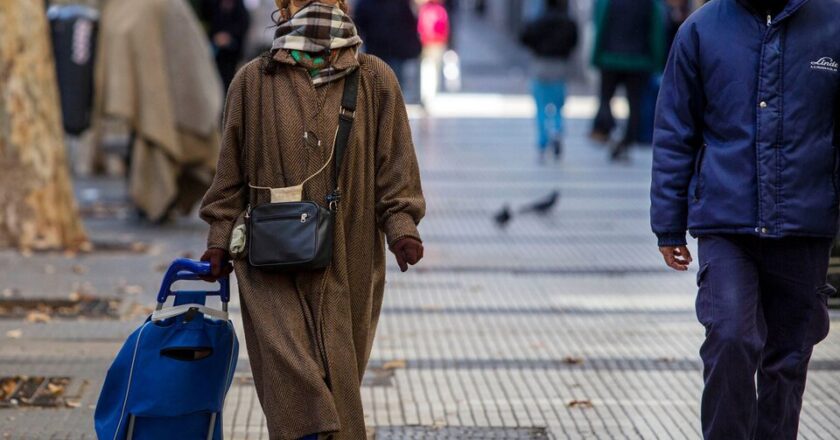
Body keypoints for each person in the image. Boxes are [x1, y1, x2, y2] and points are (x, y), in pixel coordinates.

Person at [199, 1, 426, 439]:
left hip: (349, 257)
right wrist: (218, 239)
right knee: (296, 384)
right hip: (269, 261)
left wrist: (402, 229)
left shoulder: (375, 78)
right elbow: (229, 177)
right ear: (283, 7)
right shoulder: (252, 80)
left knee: (337, 378)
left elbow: (395, 169)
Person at [650, 0, 840, 438]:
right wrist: (668, 222)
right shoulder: (702, 30)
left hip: (804, 222)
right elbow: (675, 130)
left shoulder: (831, 24)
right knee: (730, 338)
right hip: (726, 222)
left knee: (788, 360)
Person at [590, 0, 665, 161]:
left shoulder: (607, 3)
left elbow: (600, 28)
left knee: (605, 99)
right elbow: (656, 32)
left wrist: (596, 57)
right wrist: (657, 62)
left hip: (610, 58)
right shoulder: (650, 4)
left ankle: (609, 129)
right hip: (638, 61)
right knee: (635, 105)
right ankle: (626, 141)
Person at [519, 0, 578, 162]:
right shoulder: (568, 22)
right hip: (560, 66)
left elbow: (524, 37)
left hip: (541, 65)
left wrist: (537, 47)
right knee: (558, 106)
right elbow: (574, 41)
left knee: (540, 107)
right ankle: (557, 129)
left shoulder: (539, 20)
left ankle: (542, 141)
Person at [353, 0, 422, 86]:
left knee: (393, 85)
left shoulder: (399, 3)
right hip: (377, 53)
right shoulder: (366, 3)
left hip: (394, 52)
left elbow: (409, 23)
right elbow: (358, 26)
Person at [206, 0, 251, 93]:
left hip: (233, 54)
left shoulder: (239, 6)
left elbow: (243, 25)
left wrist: (228, 36)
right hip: (216, 52)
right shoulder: (214, 4)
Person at [417, 0, 450, 107]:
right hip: (438, 43)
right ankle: (430, 94)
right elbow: (446, 29)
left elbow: (419, 28)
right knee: (434, 69)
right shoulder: (441, 11)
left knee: (426, 69)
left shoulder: (424, 10)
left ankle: (426, 95)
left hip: (426, 43)